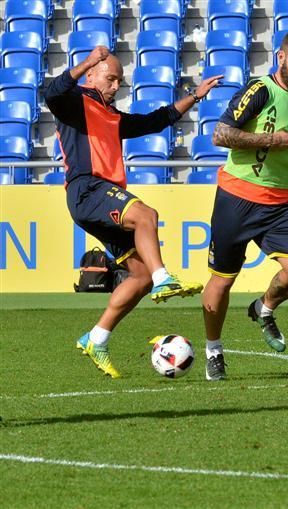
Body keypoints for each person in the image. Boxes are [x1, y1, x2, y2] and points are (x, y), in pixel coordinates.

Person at [44, 46, 223, 378]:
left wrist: (194, 97)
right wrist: (87, 60)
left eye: (119, 82)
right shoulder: (74, 102)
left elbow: (156, 121)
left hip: (100, 195)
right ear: (91, 74)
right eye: (110, 79)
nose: (115, 87)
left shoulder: (111, 115)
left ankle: (96, 338)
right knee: (146, 215)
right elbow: (51, 91)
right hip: (88, 188)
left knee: (137, 276)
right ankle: (163, 279)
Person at [201, 30, 288, 381]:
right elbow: (221, 134)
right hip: (236, 200)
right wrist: (270, 139)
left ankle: (263, 308)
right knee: (222, 282)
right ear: (281, 57)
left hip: (279, 204)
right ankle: (214, 351)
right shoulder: (260, 90)